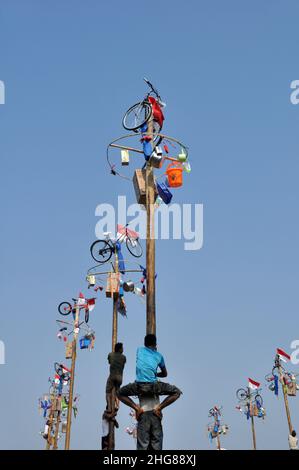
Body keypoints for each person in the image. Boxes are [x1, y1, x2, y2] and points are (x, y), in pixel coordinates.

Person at [118, 334, 182, 450]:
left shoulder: (139, 350)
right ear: (155, 344)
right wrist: (155, 373)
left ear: (144, 343)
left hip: (139, 386)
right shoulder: (159, 356)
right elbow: (165, 374)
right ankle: (159, 408)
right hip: (153, 386)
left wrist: (137, 408)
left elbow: (143, 363)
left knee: (120, 393)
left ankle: (136, 407)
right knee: (177, 392)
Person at [105, 342, 126, 415]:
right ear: (120, 349)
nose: (123, 349)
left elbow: (109, 362)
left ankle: (110, 408)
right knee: (117, 392)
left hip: (112, 376)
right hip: (120, 377)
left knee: (108, 392)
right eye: (122, 348)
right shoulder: (123, 357)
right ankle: (117, 405)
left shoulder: (111, 354)